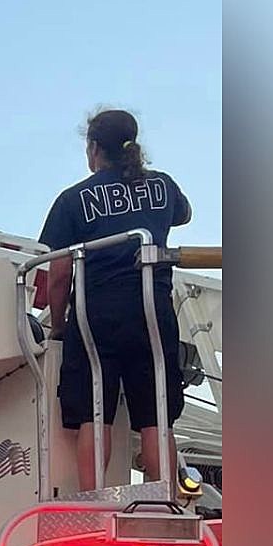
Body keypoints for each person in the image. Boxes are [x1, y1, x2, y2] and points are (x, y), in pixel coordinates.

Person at [38, 108, 193, 491]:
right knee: (157, 415)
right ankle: (166, 501)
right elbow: (182, 215)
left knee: (94, 412)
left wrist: (59, 326)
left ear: (93, 148)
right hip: (153, 312)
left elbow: (58, 276)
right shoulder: (163, 186)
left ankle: (95, 502)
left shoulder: (72, 200)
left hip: (96, 316)